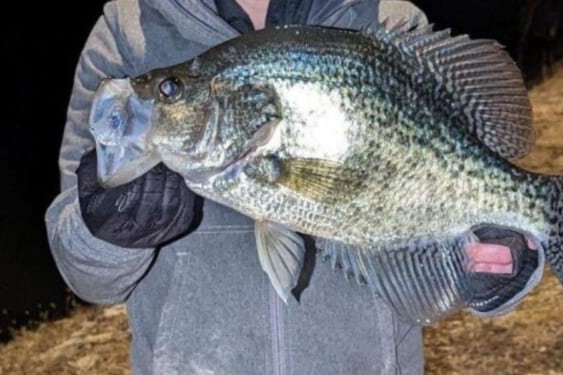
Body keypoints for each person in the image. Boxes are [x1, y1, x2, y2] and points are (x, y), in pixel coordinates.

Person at [44, 1, 537, 374]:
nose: (157, 97)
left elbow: (463, 208)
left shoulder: (388, 17)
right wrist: (103, 228)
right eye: (170, 89)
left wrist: (497, 267)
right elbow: (86, 276)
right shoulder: (125, 33)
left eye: (172, 90)